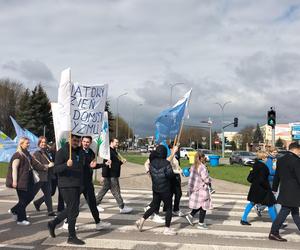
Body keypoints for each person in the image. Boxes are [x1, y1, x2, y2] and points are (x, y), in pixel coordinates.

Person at [48, 134, 85, 245]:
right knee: (73, 211)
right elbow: (55, 169)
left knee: (72, 209)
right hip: (66, 185)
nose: (76, 142)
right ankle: (71, 237)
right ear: (69, 139)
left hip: (77, 184)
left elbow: (81, 167)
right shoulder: (62, 151)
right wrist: (66, 165)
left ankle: (53, 223)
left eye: (78, 140)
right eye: (74, 140)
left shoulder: (79, 151)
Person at [135, 145, 177, 235]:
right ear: (164, 153)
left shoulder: (152, 163)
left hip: (155, 188)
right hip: (166, 189)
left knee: (154, 205)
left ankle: (141, 220)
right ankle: (167, 229)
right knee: (169, 208)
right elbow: (171, 176)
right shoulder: (166, 164)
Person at [6, 137, 47, 225]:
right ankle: (21, 219)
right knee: (23, 200)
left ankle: (15, 210)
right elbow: (14, 168)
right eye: (26, 143)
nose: (28, 145)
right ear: (21, 144)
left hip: (28, 180)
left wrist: (45, 167)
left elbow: (34, 164)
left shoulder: (27, 153)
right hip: (21, 181)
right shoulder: (17, 155)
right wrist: (15, 181)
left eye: (28, 143)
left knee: (30, 196)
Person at [269, 142, 300, 242]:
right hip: (293, 191)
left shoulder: (281, 159)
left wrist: (274, 188)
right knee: (285, 211)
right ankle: (273, 232)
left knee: (295, 212)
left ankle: (273, 232)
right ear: (296, 149)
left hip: (285, 190)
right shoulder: (296, 160)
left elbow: (277, 176)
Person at [79, 136, 111, 230]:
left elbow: (93, 166)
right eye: (84, 141)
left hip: (88, 183)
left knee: (92, 203)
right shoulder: (77, 151)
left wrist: (103, 164)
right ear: (81, 142)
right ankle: (67, 222)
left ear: (90, 142)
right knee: (74, 204)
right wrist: (87, 164)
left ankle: (98, 222)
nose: (85, 143)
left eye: (87, 142)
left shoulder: (92, 153)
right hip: (78, 182)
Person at [96, 138, 132, 214]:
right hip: (111, 175)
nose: (117, 144)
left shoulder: (114, 151)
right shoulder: (108, 152)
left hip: (112, 174)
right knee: (116, 191)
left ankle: (95, 204)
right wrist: (103, 175)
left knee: (104, 190)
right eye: (116, 142)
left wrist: (121, 162)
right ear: (111, 142)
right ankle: (122, 207)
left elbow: (115, 164)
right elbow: (105, 164)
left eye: (118, 142)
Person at [240, 151, 277, 226]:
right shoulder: (263, 167)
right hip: (263, 189)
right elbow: (262, 180)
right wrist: (268, 188)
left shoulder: (255, 165)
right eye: (266, 157)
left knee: (252, 203)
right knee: (271, 204)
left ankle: (243, 219)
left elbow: (249, 179)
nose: (267, 159)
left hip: (255, 188)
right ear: (263, 158)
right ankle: (276, 223)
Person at [185, 152, 212, 229]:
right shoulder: (202, 167)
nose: (205, 159)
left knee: (200, 204)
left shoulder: (193, 166)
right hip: (202, 189)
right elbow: (205, 179)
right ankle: (201, 223)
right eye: (204, 157)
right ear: (201, 158)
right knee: (204, 206)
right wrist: (210, 179)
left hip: (195, 188)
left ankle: (190, 216)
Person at [32, 136, 56, 216]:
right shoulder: (36, 153)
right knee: (31, 195)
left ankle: (50, 211)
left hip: (47, 177)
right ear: (39, 143)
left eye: (45, 142)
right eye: (42, 142)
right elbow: (36, 165)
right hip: (40, 177)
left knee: (48, 194)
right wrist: (47, 166)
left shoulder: (46, 152)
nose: (43, 144)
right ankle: (19, 209)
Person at [255, 146, 277, 217]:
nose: (275, 153)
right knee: (272, 199)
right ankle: (259, 207)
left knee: (270, 199)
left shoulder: (274, 159)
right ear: (270, 152)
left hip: (273, 180)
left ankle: (259, 207)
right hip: (269, 180)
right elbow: (270, 171)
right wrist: (277, 171)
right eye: (274, 152)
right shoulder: (269, 160)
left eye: (276, 152)